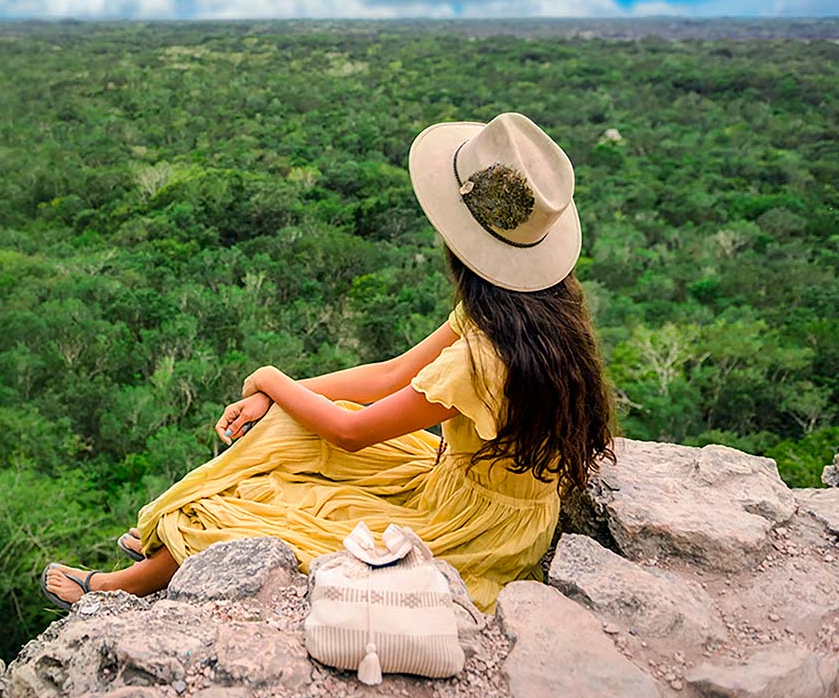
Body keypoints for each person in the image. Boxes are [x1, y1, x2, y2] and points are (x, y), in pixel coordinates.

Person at [41, 111, 615, 614]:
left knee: (278, 508)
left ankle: (132, 581)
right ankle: (177, 531)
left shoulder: (480, 356)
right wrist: (280, 394)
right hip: (475, 483)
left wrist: (269, 377)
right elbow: (393, 375)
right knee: (287, 426)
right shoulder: (531, 312)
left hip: (473, 524)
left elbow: (351, 432)